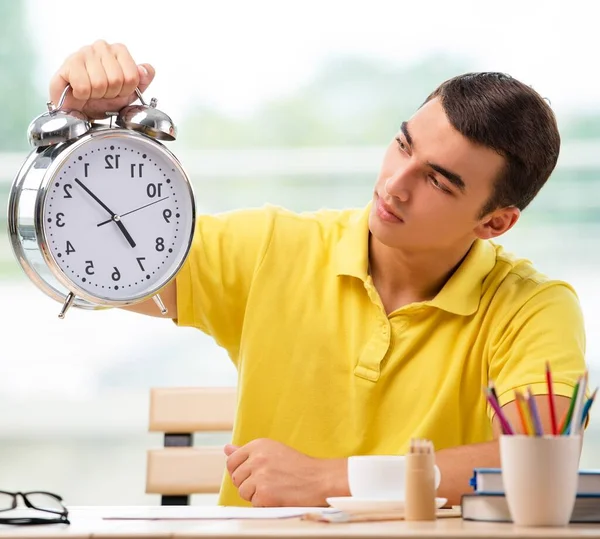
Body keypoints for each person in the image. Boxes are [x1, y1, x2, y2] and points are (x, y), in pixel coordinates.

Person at [50, 40, 586, 508]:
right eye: (403, 144)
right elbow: (84, 265)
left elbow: (538, 463)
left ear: (495, 222)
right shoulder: (271, 249)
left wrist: (334, 479)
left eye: (438, 182)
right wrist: (79, 138)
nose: (395, 184)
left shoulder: (532, 307)